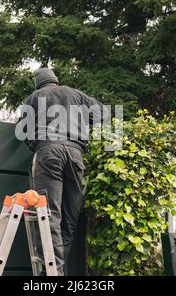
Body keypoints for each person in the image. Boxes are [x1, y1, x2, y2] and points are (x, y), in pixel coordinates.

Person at [16, 66, 108, 275]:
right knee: (69, 216)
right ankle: (57, 270)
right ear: (55, 80)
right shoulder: (76, 95)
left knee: (49, 215)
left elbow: (22, 131)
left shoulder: (33, 98)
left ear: (38, 83)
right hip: (76, 155)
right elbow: (104, 113)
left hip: (48, 153)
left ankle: (53, 273)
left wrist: (36, 145)